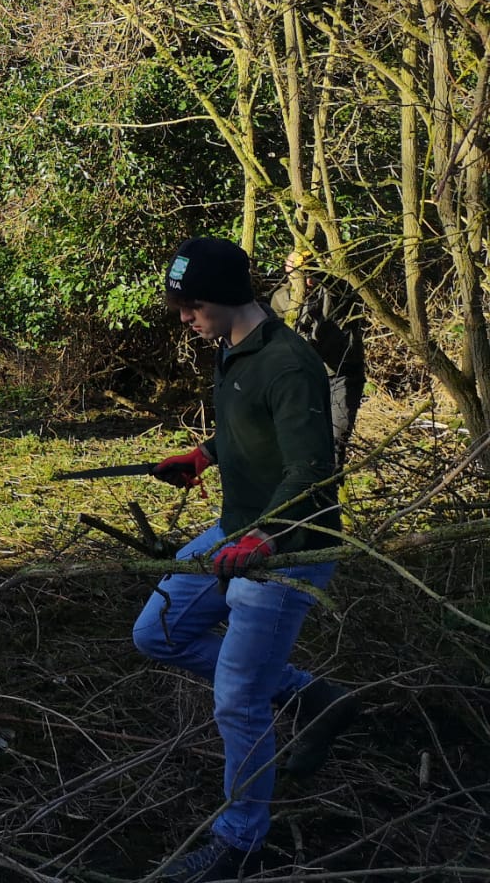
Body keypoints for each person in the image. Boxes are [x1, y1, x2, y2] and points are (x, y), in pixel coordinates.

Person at [136, 237, 360, 881]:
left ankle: (240, 845)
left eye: (192, 305)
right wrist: (204, 455)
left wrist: (263, 539)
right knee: (159, 632)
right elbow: (246, 425)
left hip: (289, 549)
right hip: (235, 528)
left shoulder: (290, 365)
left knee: (237, 700)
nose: (185, 317)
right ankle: (308, 695)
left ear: (229, 298)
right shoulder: (233, 348)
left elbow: (313, 470)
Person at [270, 251, 365, 466]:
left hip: (340, 375)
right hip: (305, 379)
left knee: (335, 438)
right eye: (301, 273)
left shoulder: (337, 290)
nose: (307, 279)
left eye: (311, 272)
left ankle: (330, 490)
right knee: (303, 440)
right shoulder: (281, 299)